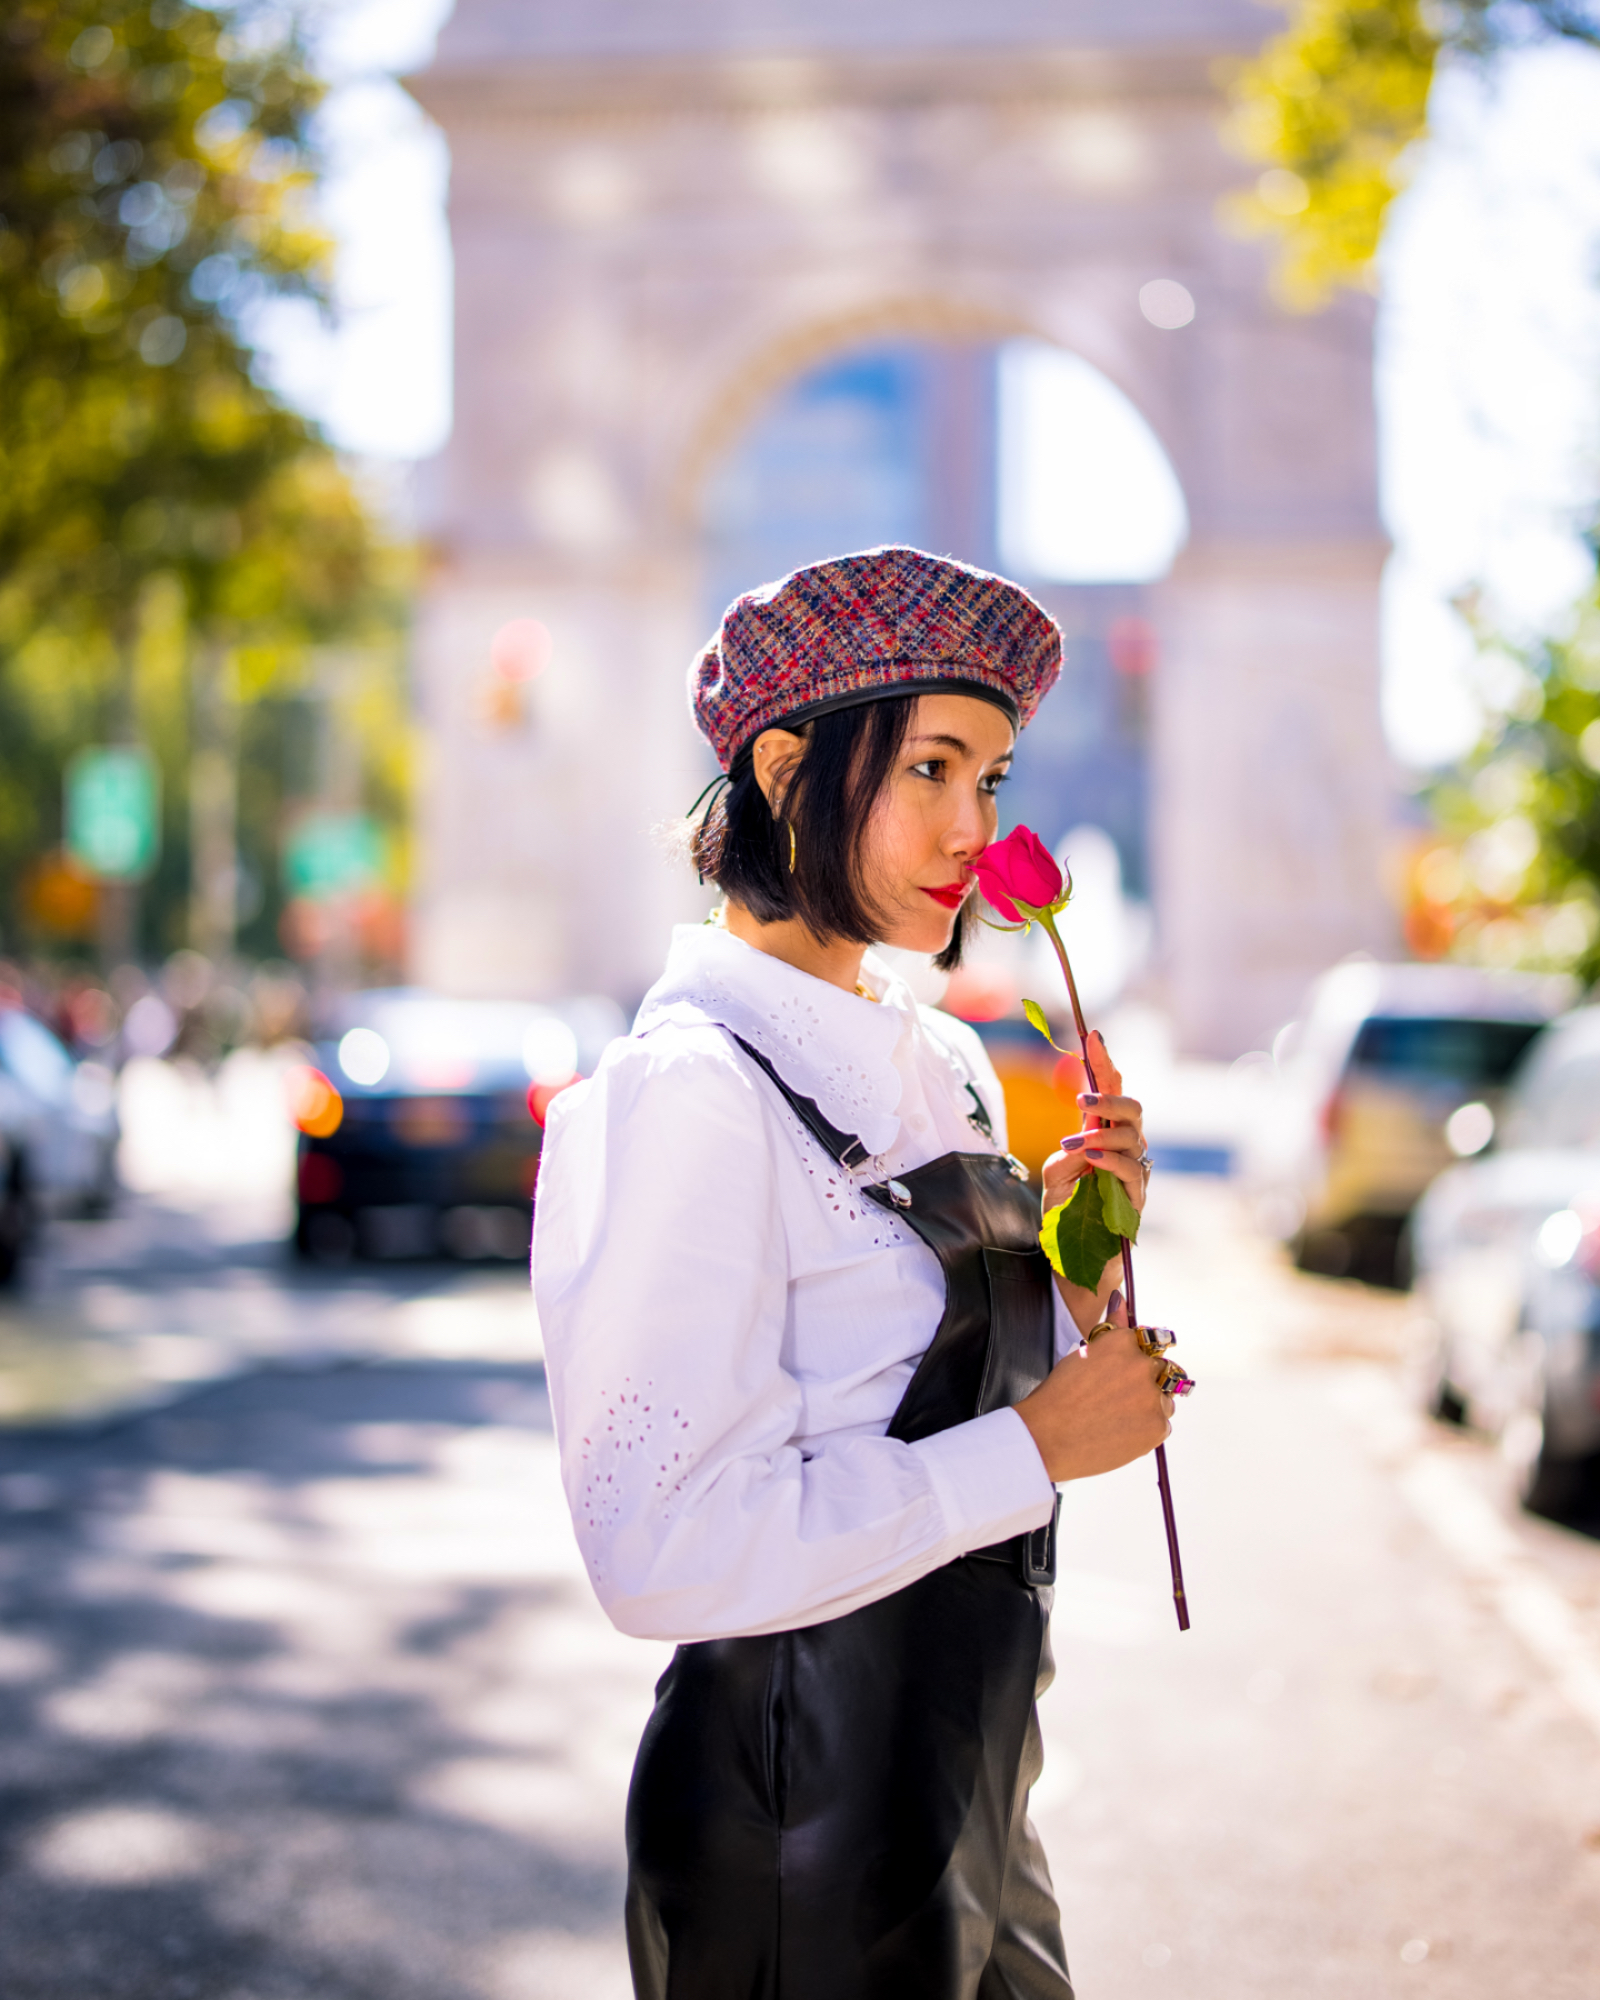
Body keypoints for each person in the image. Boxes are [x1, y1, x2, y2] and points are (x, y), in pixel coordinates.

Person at [532, 546, 1175, 2000]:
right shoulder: (691, 1092)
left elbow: (899, 1375)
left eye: (994, 780)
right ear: (780, 768)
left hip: (974, 1791)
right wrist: (1036, 1446)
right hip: (795, 1835)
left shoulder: (936, 1056)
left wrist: (1075, 1270)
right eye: (933, 768)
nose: (972, 825)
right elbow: (661, 1549)